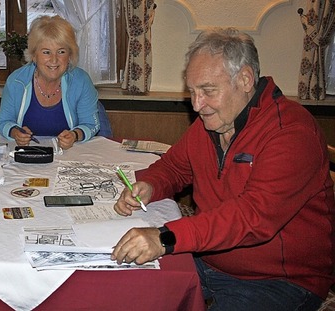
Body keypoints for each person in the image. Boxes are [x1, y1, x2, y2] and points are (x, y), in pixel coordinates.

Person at [111, 27, 334, 310]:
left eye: (207, 91)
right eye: (192, 92)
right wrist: (151, 185)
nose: (196, 104)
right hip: (208, 258)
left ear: (244, 79)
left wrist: (166, 237)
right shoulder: (213, 121)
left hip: (278, 280)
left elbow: (253, 217)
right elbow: (175, 167)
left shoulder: (291, 132)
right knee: (126, 290)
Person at [0, 15, 100, 150]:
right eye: (46, 52)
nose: (54, 60)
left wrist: (74, 135)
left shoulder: (82, 81)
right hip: (28, 155)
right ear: (34, 55)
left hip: (69, 155)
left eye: (61, 52)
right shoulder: (16, 81)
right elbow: (3, 121)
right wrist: (15, 132)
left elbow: (91, 124)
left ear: (70, 55)